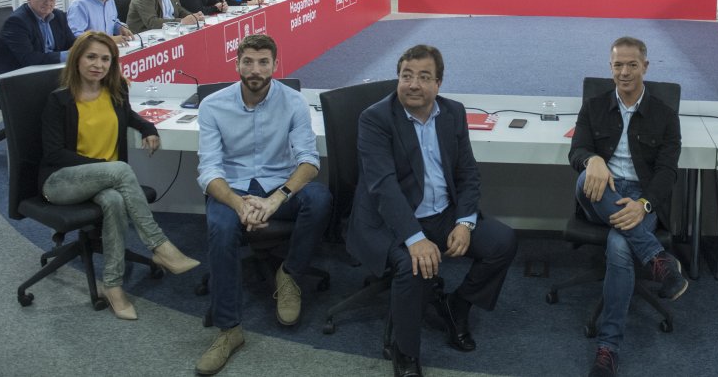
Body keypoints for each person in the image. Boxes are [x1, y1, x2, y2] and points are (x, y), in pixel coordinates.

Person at [348, 45, 518, 377]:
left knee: (502, 242)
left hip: (443, 213)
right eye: (406, 75)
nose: (413, 84)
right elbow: (384, 187)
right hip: (389, 221)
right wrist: (414, 238)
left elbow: (468, 173)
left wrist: (465, 222)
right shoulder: (376, 119)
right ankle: (405, 352)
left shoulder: (453, 113)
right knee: (414, 266)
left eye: (424, 77)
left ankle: (458, 306)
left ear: (438, 84)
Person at [195, 34, 332, 375]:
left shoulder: (294, 102)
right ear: (237, 63)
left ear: (275, 64)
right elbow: (209, 169)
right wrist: (238, 205)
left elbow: (308, 161)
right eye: (248, 62)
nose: (255, 70)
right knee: (221, 227)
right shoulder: (213, 105)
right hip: (233, 190)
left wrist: (275, 200)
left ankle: (289, 274)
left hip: (277, 189)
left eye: (263, 62)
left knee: (320, 199)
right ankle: (229, 330)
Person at [40, 31, 200, 320]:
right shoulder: (60, 100)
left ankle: (113, 286)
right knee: (120, 171)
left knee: (114, 200)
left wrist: (148, 128)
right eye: (91, 57)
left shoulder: (115, 91)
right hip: (61, 181)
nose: (98, 64)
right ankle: (160, 246)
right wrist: (104, 168)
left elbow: (129, 116)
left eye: (105, 59)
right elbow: (53, 154)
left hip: (108, 181)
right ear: (77, 59)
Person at [569, 37, 687, 377]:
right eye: (618, 65)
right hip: (600, 191)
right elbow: (576, 151)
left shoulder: (664, 115)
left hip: (641, 196)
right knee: (583, 180)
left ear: (645, 67)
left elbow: (667, 172)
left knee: (620, 244)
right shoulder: (593, 106)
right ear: (610, 67)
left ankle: (607, 349)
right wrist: (592, 160)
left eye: (632, 65)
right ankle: (658, 260)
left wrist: (644, 204)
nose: (624, 71)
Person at [0, 0, 77, 78]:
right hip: (16, 78)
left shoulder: (59, 16)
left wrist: (82, 48)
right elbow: (29, 58)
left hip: (48, 70)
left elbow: (72, 42)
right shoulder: (17, 22)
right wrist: (68, 55)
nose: (48, 2)